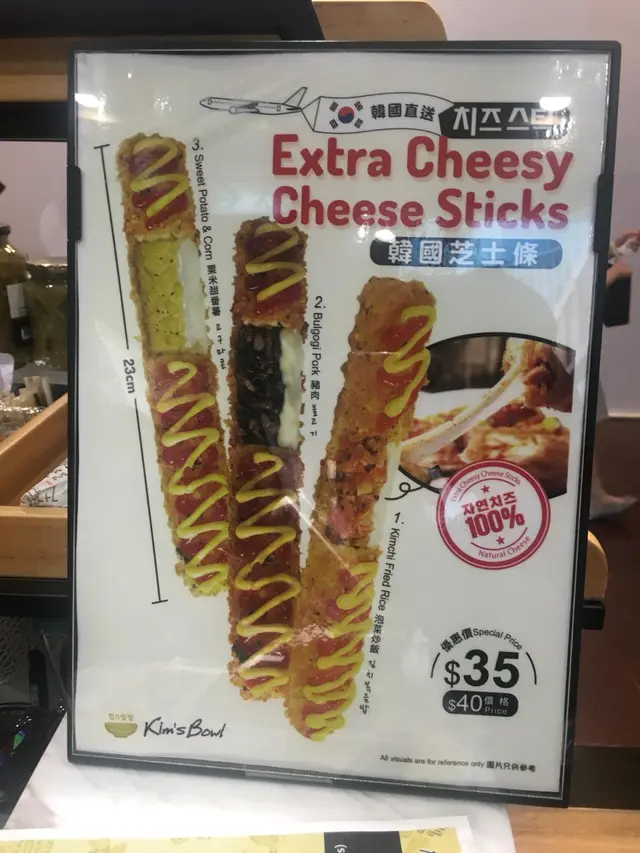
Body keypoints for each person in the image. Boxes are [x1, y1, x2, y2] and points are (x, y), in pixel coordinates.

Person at [589, 230, 639, 519]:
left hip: (567, 352)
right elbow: (573, 296)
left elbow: (578, 265)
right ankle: (591, 500)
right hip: (559, 351)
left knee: (581, 429)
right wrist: (612, 275)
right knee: (575, 428)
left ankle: (593, 498)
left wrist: (616, 250)